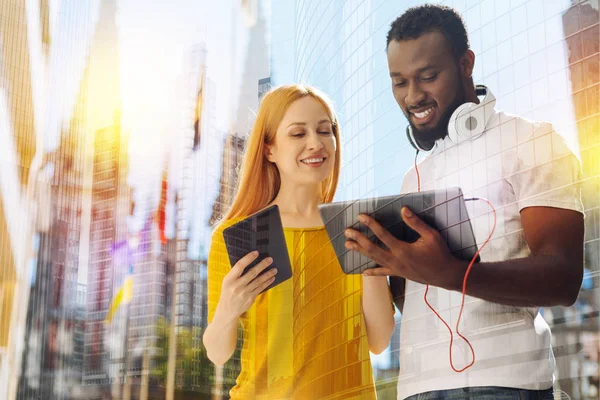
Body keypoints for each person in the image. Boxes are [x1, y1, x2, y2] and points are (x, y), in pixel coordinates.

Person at [344, 4, 585, 400]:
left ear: (465, 63)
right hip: (416, 389)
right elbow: (418, 296)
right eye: (399, 82)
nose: (412, 96)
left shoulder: (532, 140)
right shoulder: (414, 176)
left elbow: (563, 278)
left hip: (505, 385)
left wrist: (452, 272)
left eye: (428, 77)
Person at [203, 84, 395, 399]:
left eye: (324, 131)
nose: (315, 143)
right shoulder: (242, 234)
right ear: (270, 149)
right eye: (297, 134)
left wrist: (368, 258)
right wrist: (228, 307)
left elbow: (380, 339)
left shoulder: (357, 228)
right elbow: (218, 353)